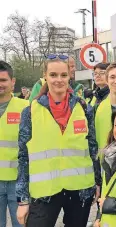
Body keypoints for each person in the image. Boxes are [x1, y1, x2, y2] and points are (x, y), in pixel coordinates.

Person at [16, 55, 101, 227]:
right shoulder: (31, 112)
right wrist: (23, 201)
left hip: (80, 190)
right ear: (45, 76)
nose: (59, 80)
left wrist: (97, 182)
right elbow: (23, 157)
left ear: (70, 76)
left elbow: (93, 149)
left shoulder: (84, 109)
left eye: (63, 75)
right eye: (53, 75)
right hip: (44, 193)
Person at [0, 61, 28, 227]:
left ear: (13, 82)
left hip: (19, 182)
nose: (0, 84)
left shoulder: (26, 108)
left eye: (3, 80)